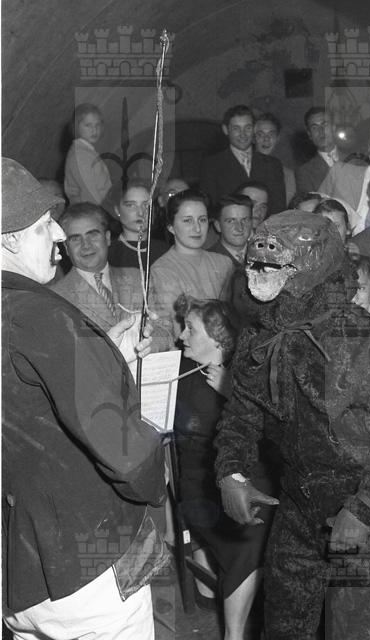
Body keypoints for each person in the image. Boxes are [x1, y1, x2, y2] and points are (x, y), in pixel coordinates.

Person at [214, 211, 370, 639]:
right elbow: (241, 413)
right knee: (283, 628)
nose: (260, 263)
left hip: (361, 512)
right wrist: (232, 472)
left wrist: (364, 507)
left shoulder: (355, 340)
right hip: (296, 507)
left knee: (356, 631)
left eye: (275, 259)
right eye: (258, 260)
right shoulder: (259, 337)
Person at [2, 157, 168, 639]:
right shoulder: (42, 315)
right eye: (43, 225)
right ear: (9, 240)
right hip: (86, 567)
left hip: (20, 571)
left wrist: (103, 357)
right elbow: (124, 453)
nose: (59, 234)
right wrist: (154, 471)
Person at [173, 295, 276, 640]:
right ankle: (234, 633)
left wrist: (232, 391)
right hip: (201, 489)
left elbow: (271, 436)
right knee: (252, 535)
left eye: (190, 329)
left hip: (244, 479)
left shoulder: (243, 376)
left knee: (273, 512)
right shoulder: (179, 374)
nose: (181, 336)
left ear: (218, 339)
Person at [51, 202, 169, 351]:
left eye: (92, 235)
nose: (86, 245)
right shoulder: (55, 297)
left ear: (107, 238)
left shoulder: (139, 278)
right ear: (66, 248)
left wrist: (146, 347)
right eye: (75, 239)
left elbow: (166, 328)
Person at [149, 189, 234, 341]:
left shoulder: (224, 263)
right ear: (171, 227)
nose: (197, 228)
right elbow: (175, 327)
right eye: (188, 221)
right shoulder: (162, 269)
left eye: (202, 220)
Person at [200, 105, 286, 215]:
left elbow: (279, 209)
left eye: (248, 128)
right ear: (226, 130)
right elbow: (210, 209)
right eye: (236, 128)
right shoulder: (211, 165)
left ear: (254, 129)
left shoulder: (273, 164)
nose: (243, 134)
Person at [107, 178, 170, 268]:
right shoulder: (108, 253)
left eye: (146, 205)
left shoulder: (166, 252)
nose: (140, 212)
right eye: (131, 205)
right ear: (117, 210)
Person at [64, 103, 112, 205]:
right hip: (91, 210)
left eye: (97, 125)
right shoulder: (80, 155)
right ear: (76, 126)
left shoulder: (86, 151)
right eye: (88, 125)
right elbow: (89, 194)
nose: (94, 130)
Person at [295, 106, 339, 194]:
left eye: (325, 125)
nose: (321, 131)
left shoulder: (354, 160)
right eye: (314, 128)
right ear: (309, 134)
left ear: (333, 128)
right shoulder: (304, 172)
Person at [253, 113, 296, 203]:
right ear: (253, 138)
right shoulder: (243, 169)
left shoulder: (287, 175)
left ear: (277, 138)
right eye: (260, 134)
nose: (266, 139)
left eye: (271, 134)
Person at [208, 193, 253, 267]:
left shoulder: (264, 256)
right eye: (230, 221)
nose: (240, 228)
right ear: (218, 226)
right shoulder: (207, 262)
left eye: (245, 220)